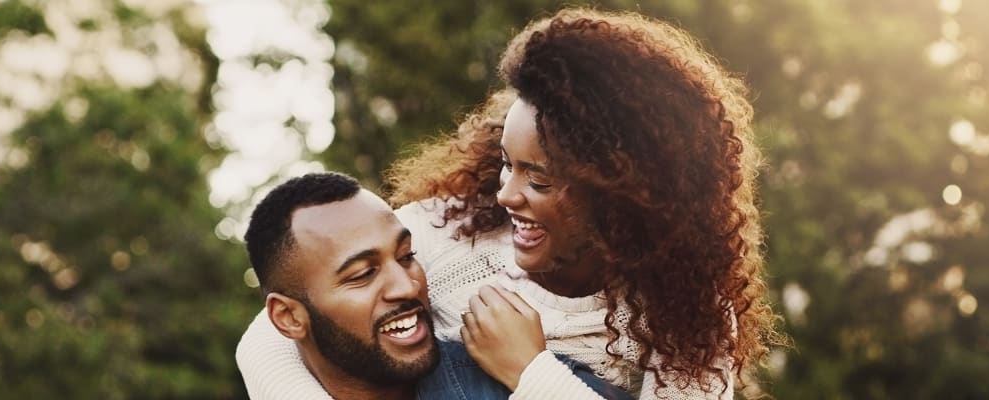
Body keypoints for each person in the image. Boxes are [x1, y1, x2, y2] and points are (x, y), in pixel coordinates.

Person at [242, 8, 780, 399]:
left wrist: (532, 373)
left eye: (539, 181)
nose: (506, 194)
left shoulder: (686, 314)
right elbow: (267, 340)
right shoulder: (448, 230)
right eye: (506, 163)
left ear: (622, 194)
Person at [239, 172, 629, 399]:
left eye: (407, 255)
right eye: (362, 275)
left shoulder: (525, 387)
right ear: (288, 317)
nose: (406, 287)